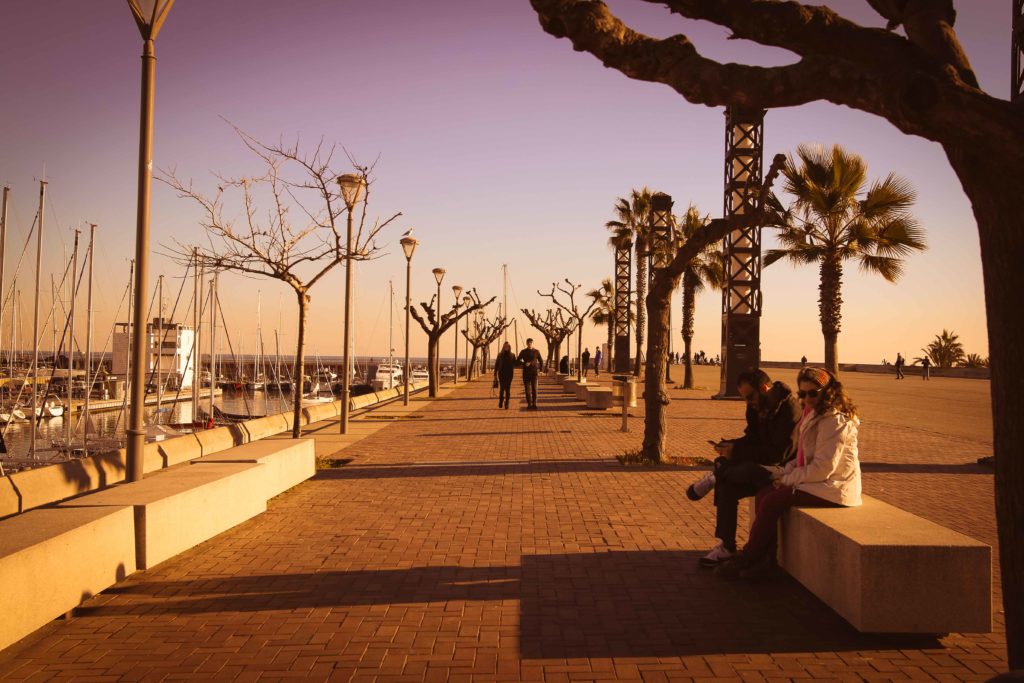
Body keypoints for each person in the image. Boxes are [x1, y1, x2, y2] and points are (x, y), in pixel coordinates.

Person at [716, 367, 862, 579]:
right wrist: (784, 475)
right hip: (819, 482)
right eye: (802, 394)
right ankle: (766, 559)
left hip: (834, 487)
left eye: (813, 393)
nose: (807, 398)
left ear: (828, 392)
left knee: (772, 500)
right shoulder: (813, 416)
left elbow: (823, 468)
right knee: (764, 493)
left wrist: (786, 479)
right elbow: (801, 457)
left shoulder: (834, 421)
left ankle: (748, 556)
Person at [687, 369, 802, 567]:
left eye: (750, 397)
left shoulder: (790, 410)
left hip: (785, 470)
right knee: (727, 484)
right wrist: (730, 445)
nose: (749, 403)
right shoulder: (755, 407)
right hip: (764, 464)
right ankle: (726, 546)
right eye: (745, 399)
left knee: (739, 471)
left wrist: (737, 452)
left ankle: (716, 476)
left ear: (764, 389)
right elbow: (752, 439)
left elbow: (779, 454)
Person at [517, 338, 544, 409]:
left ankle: (534, 404)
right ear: (526, 343)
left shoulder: (536, 351)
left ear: (532, 343)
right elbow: (517, 360)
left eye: (531, 342)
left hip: (534, 373)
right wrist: (524, 363)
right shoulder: (523, 351)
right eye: (528, 342)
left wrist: (541, 370)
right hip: (526, 373)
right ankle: (529, 404)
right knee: (527, 390)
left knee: (534, 389)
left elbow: (541, 361)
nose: (529, 344)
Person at [493, 342, 516, 409]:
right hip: (501, 374)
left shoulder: (512, 355)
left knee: (508, 389)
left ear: (509, 347)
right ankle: (501, 401)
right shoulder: (500, 355)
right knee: (502, 388)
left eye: (507, 346)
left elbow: (516, 363)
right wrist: (495, 375)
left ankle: (507, 403)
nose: (506, 348)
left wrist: (524, 363)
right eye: (505, 346)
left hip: (509, 374)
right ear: (503, 347)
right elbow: (496, 365)